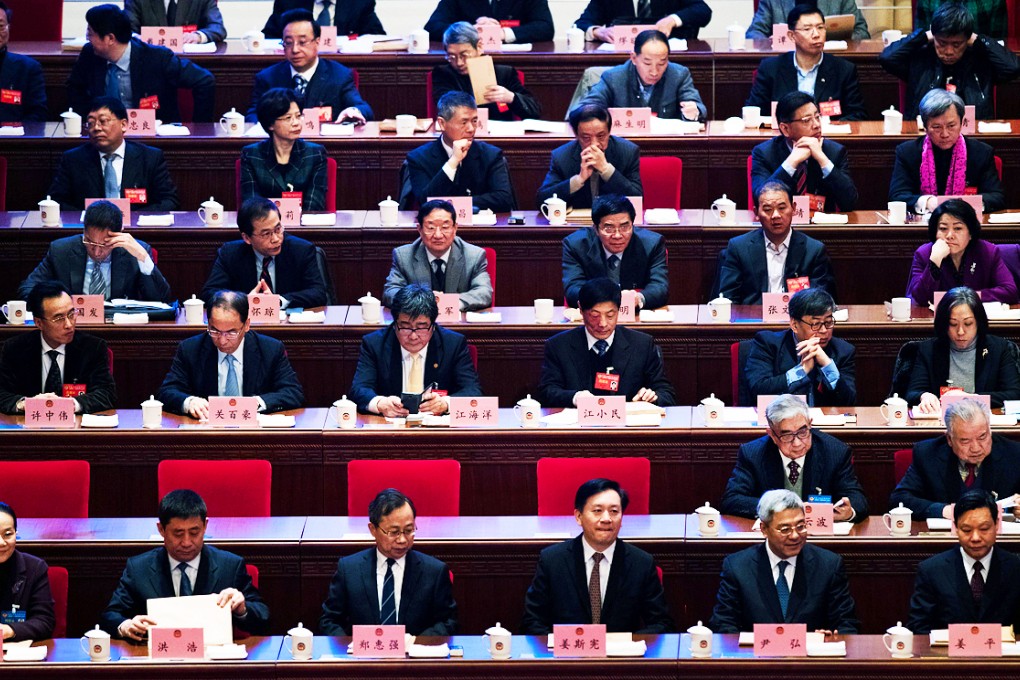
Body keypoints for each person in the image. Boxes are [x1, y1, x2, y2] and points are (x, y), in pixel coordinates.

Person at [99, 489, 270, 639]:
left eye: (194, 532)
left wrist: (242, 609)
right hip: (158, 663)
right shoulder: (139, 569)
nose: (187, 542)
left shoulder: (230, 566)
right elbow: (110, 616)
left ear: (205, 526)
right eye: (178, 533)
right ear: (161, 530)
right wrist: (126, 625)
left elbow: (263, 617)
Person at [520, 478, 674, 634]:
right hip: (567, 655)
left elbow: (661, 623)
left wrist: (626, 644)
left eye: (614, 511)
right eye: (597, 511)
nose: (606, 519)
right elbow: (532, 621)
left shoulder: (641, 563)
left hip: (620, 656)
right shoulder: (552, 561)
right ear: (578, 516)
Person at [709, 489, 859, 634]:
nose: (795, 536)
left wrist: (831, 639)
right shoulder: (738, 567)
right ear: (764, 529)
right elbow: (723, 624)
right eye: (785, 529)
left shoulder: (829, 565)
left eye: (801, 526)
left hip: (809, 658)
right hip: (758, 658)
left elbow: (847, 624)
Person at [319, 488, 458, 635]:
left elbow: (449, 622)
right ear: (373, 529)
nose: (402, 540)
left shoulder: (434, 571)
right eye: (394, 532)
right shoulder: (349, 570)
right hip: (363, 655)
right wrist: (350, 647)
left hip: (413, 655)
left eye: (409, 530)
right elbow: (329, 621)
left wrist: (416, 644)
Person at [156, 290, 305, 419]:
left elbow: (293, 392)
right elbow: (166, 391)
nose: (222, 340)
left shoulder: (270, 349)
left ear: (246, 325)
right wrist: (189, 402)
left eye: (231, 332)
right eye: (214, 331)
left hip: (253, 434)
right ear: (208, 323)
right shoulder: (190, 349)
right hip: (208, 433)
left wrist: (256, 403)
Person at [721, 395, 867, 521]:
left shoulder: (835, 452)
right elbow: (732, 500)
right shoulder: (753, 454)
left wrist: (848, 513)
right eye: (787, 435)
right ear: (772, 435)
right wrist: (778, 509)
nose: (797, 443)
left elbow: (857, 500)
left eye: (803, 432)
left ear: (810, 424)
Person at [538, 277, 676, 408]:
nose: (603, 324)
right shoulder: (559, 346)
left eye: (610, 315)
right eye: (594, 316)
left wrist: (653, 397)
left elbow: (666, 393)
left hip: (626, 429)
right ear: (580, 309)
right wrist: (574, 397)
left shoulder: (642, 344)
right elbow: (546, 392)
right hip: (579, 428)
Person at [349, 283, 483, 416]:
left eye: (421, 327)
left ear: (433, 325)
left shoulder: (453, 344)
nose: (413, 336)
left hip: (437, 431)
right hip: (391, 430)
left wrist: (446, 404)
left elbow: (473, 391)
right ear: (395, 324)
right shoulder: (374, 344)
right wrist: (380, 403)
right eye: (406, 327)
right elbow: (359, 389)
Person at [67, 4, 215, 122]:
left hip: (152, 140)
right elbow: (74, 88)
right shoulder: (90, 55)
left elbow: (205, 80)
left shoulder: (157, 58)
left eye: (90, 34)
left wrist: (200, 126)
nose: (87, 38)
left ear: (110, 39)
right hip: (102, 137)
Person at [880, 2, 1020, 119]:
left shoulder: (981, 61)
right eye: (942, 43)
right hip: (925, 138)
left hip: (972, 139)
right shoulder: (920, 60)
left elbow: (1014, 67)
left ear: (967, 40)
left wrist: (978, 40)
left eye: (956, 44)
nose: (948, 52)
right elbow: (887, 58)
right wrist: (924, 36)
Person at [907, 490, 1020, 634]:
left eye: (984, 529)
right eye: (966, 530)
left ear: (997, 525)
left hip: (1002, 655)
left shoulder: (1015, 568)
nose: (975, 537)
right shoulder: (931, 570)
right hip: (947, 655)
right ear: (955, 528)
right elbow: (918, 628)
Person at [17, 201, 173, 304]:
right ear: (83, 231)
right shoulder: (61, 251)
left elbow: (162, 300)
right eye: (90, 243)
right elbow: (27, 290)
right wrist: (57, 306)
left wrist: (143, 258)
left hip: (117, 330)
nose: (97, 252)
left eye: (105, 244)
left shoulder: (134, 252)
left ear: (120, 234)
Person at [890, 398, 1020, 519]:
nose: (975, 448)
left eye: (982, 437)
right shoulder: (928, 454)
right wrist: (943, 510)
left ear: (990, 431)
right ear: (949, 439)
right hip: (944, 539)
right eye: (965, 441)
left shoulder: (1014, 453)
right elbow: (899, 499)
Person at [0, 281, 116, 415]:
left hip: (75, 431)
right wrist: (25, 404)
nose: (69, 324)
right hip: (29, 429)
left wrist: (72, 404)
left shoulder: (92, 348)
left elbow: (107, 393)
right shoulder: (15, 349)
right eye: (59, 318)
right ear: (39, 322)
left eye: (72, 314)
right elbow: (2, 393)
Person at [48, 97, 180, 212]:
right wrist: (88, 217)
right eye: (91, 123)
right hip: (90, 231)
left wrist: (134, 218)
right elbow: (56, 201)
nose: (96, 128)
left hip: (135, 232)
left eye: (103, 121)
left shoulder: (150, 157)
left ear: (123, 125)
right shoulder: (73, 159)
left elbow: (169, 200)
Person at [717, 181, 836, 305]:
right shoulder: (739, 248)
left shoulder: (814, 250)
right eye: (768, 209)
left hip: (796, 321)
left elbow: (821, 301)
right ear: (756, 212)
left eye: (782, 208)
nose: (775, 215)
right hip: (755, 321)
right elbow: (728, 299)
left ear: (794, 208)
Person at [246, 9, 373, 125]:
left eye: (302, 42)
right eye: (288, 43)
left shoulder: (340, 75)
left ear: (317, 42)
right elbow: (253, 114)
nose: (295, 49)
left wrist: (353, 111)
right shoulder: (268, 77)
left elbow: (363, 108)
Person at [889, 89, 1005, 215]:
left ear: (962, 123)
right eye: (937, 127)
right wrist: (927, 202)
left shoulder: (981, 153)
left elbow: (997, 197)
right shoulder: (908, 152)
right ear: (925, 126)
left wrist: (963, 204)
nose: (945, 134)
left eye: (951, 126)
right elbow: (897, 195)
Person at [904, 287, 1020, 411]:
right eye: (953, 324)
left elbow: (1014, 394)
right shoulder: (929, 349)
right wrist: (924, 396)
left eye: (968, 323)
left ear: (978, 322)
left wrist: (971, 398)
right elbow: (911, 393)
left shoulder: (999, 348)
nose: (960, 332)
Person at [200, 197, 328, 309]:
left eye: (278, 229)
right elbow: (209, 293)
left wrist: (277, 301)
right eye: (266, 234)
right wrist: (243, 301)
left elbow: (318, 293)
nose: (276, 239)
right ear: (247, 238)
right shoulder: (229, 254)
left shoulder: (302, 250)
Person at [745, 5, 866, 122]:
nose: (816, 34)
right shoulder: (770, 68)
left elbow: (857, 115)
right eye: (807, 29)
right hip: (783, 139)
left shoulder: (844, 69)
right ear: (791, 36)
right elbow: (753, 112)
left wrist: (829, 127)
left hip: (828, 139)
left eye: (820, 27)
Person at [403, 91, 514, 212]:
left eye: (474, 121)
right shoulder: (418, 158)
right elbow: (425, 201)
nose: (471, 129)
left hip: (480, 227)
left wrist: (455, 203)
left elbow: (504, 199)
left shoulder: (491, 155)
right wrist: (453, 161)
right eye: (464, 122)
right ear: (442, 124)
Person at [750, 91, 858, 212]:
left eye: (817, 117)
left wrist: (823, 160)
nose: (817, 125)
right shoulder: (764, 153)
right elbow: (760, 200)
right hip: (781, 227)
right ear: (785, 129)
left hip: (822, 228)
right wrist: (791, 162)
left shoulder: (834, 151)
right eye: (807, 120)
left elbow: (849, 203)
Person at [745, 288, 856, 406]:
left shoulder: (844, 351)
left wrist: (827, 364)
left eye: (828, 322)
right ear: (794, 325)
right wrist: (801, 371)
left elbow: (849, 402)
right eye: (816, 324)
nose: (824, 330)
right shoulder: (768, 344)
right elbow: (758, 390)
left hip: (823, 423)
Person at [382, 199, 492, 312]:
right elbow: (390, 292)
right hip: (419, 326)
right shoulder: (403, 256)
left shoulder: (473, 255)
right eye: (431, 228)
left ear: (455, 228)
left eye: (445, 227)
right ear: (419, 229)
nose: (438, 235)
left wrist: (451, 304)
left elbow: (484, 292)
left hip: (457, 324)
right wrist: (422, 302)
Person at [562, 194, 668, 310]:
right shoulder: (576, 245)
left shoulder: (652, 244)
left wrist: (638, 299)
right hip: (595, 317)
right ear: (596, 229)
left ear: (633, 225)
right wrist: (606, 301)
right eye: (609, 228)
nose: (617, 235)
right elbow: (572, 289)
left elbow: (660, 287)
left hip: (635, 317)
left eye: (624, 227)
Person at [577, 29, 706, 121]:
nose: (654, 71)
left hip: (665, 146)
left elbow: (699, 107)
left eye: (662, 63)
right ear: (633, 58)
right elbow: (588, 106)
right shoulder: (613, 77)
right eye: (647, 63)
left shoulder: (679, 75)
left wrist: (694, 111)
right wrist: (595, 113)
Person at [907, 201, 1016, 305]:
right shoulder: (924, 254)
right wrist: (934, 262)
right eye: (943, 228)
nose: (950, 235)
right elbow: (919, 299)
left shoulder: (987, 252)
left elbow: (1009, 291)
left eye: (958, 228)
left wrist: (966, 298)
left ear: (971, 233)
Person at [536, 104, 642, 210]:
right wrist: (578, 180)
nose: (594, 144)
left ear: (609, 132)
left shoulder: (627, 152)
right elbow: (542, 202)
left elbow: (637, 198)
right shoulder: (562, 156)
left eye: (601, 136)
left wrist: (606, 170)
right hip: (577, 224)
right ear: (576, 135)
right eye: (586, 138)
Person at [431, 22, 541, 122]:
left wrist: (511, 97)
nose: (459, 63)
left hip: (499, 136)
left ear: (479, 47)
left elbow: (534, 111)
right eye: (452, 57)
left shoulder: (504, 73)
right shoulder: (443, 74)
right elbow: (446, 109)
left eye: (464, 55)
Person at [241, 88, 330, 211]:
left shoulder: (315, 154)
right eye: (288, 118)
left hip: (304, 227)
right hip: (266, 227)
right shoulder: (252, 155)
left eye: (298, 116)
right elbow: (252, 204)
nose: (296, 123)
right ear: (270, 124)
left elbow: (314, 204)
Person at [0, 502, 55, 642]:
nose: (1, 542)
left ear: (16, 534)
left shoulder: (34, 568)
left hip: (16, 653)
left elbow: (45, 621)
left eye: (7, 534)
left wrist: (9, 630)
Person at [0, 1, 48, 123]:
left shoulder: (27, 69)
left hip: (12, 138)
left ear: (8, 28)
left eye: (0, 26)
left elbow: (38, 114)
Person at [424, 0, 554, 44]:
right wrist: (469, 31)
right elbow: (432, 27)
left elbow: (545, 27)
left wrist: (502, 33)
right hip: (468, 61)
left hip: (514, 61)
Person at [575, 0, 711, 42]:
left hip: (670, 60)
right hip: (622, 64)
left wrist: (672, 20)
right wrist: (598, 31)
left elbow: (703, 11)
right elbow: (580, 24)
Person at [746, 0, 869, 40]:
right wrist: (771, 44)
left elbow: (862, 33)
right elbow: (753, 33)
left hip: (832, 64)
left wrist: (832, 42)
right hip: (786, 65)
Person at [263, 0, 384, 39]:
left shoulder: (359, 3)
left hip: (343, 68)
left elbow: (376, 36)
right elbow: (269, 36)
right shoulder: (288, 2)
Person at [125, 0, 226, 44]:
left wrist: (198, 36)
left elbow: (217, 28)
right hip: (149, 65)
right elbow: (125, 30)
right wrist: (137, 38)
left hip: (191, 64)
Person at [915, 0, 1006, 40]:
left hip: (980, 61)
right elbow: (921, 38)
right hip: (936, 63)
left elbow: (998, 42)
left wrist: (976, 41)